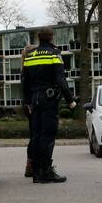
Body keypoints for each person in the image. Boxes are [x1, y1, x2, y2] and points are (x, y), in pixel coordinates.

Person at [22, 28, 76, 183]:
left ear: (39, 38)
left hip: (34, 100)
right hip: (49, 99)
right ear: (51, 38)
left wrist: (27, 101)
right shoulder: (54, 54)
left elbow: (25, 80)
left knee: (37, 135)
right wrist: (70, 100)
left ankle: (37, 172)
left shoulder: (30, 55)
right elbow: (61, 79)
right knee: (48, 135)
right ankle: (46, 171)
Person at [21, 43, 37, 177]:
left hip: (29, 104)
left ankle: (30, 164)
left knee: (34, 135)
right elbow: (27, 88)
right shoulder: (29, 68)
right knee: (35, 135)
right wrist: (29, 103)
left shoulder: (25, 68)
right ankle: (31, 165)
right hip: (31, 104)